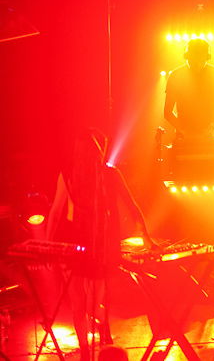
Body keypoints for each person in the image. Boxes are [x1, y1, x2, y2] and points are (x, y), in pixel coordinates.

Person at [45, 129, 155, 360]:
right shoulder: (97, 174)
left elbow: (55, 213)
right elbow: (132, 206)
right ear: (98, 149)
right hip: (91, 243)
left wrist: (45, 244)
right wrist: (145, 235)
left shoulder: (86, 174)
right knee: (90, 298)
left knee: (84, 300)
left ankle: (93, 345)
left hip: (86, 244)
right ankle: (97, 342)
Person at [164, 38, 214, 141]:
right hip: (184, 136)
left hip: (209, 135)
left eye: (200, 60)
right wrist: (184, 131)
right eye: (193, 59)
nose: (196, 63)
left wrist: (210, 129)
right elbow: (167, 112)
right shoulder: (175, 76)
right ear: (187, 57)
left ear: (207, 58)